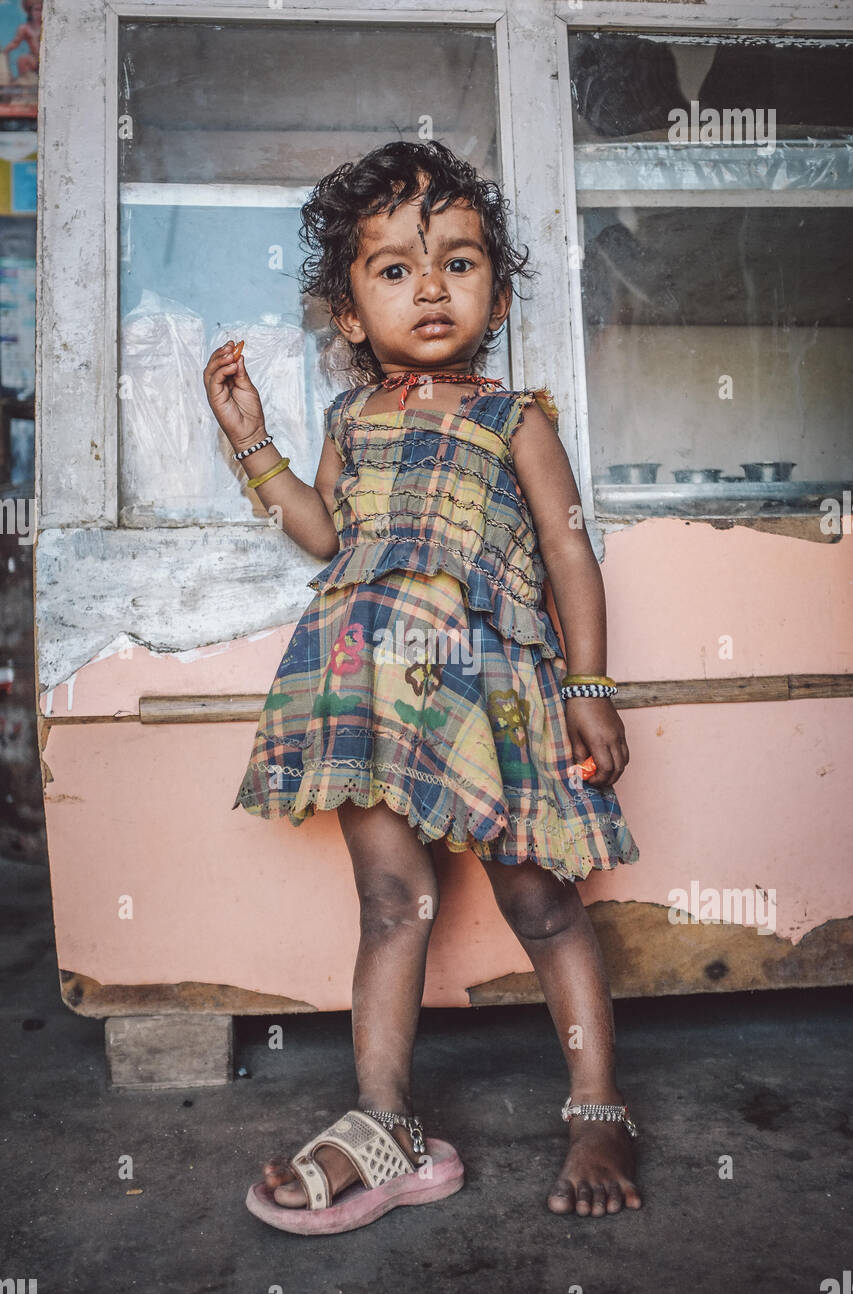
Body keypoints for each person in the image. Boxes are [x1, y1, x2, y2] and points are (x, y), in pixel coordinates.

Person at [202, 140, 642, 1234]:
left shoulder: (516, 419)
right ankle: (385, 1122)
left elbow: (569, 551)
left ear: (495, 285)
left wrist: (586, 681)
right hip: (368, 686)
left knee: (541, 900)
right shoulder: (354, 424)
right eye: (393, 269)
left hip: (495, 689)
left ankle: (599, 1108)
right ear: (349, 315)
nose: (430, 286)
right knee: (394, 902)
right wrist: (255, 450)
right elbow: (321, 534)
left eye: (457, 261)